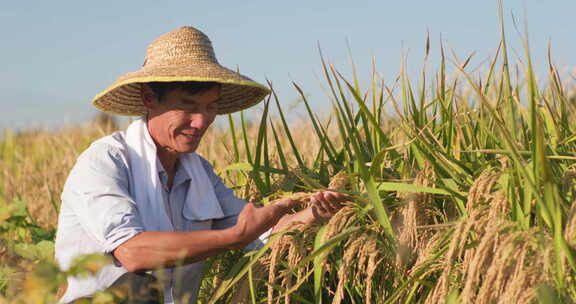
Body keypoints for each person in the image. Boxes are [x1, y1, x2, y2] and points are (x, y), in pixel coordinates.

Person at [54, 26, 345, 303]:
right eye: (188, 106)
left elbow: (258, 231)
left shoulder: (199, 174)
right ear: (148, 98)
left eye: (211, 107)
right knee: (137, 288)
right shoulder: (106, 162)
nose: (201, 121)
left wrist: (312, 215)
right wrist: (233, 238)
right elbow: (133, 253)